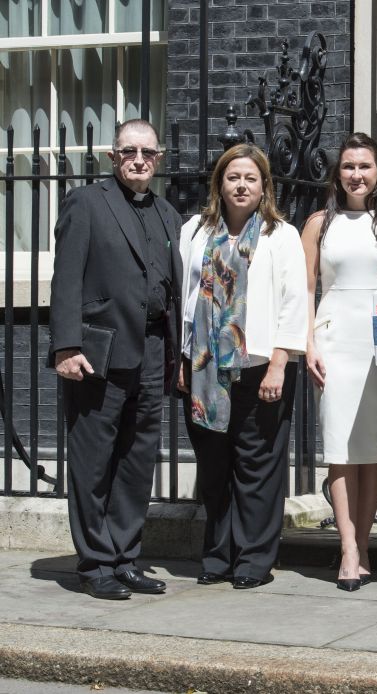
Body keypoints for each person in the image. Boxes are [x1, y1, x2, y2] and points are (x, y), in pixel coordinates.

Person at [48, 119, 183, 600]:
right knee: (93, 462)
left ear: (159, 159)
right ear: (113, 156)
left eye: (147, 152)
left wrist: (177, 352)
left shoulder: (168, 214)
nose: (139, 160)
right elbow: (65, 277)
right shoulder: (87, 202)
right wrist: (66, 346)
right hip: (97, 354)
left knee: (136, 462)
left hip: (152, 352)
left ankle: (126, 557)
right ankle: (95, 563)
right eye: (129, 151)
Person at [180, 143, 308, 589]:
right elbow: (186, 299)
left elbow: (296, 301)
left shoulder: (282, 235)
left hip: (260, 366)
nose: (241, 184)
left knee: (257, 466)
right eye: (233, 176)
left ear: (264, 186)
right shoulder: (194, 231)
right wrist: (183, 357)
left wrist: (280, 362)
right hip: (205, 367)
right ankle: (218, 555)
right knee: (214, 467)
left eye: (251, 178)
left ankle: (254, 558)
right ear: (220, 182)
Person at [302, 133, 377, 591]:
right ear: (337, 173)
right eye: (348, 166)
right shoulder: (318, 223)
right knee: (341, 451)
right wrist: (308, 344)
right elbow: (305, 289)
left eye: (364, 166)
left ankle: (365, 545)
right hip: (335, 336)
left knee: (372, 451)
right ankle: (346, 548)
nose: (356, 175)